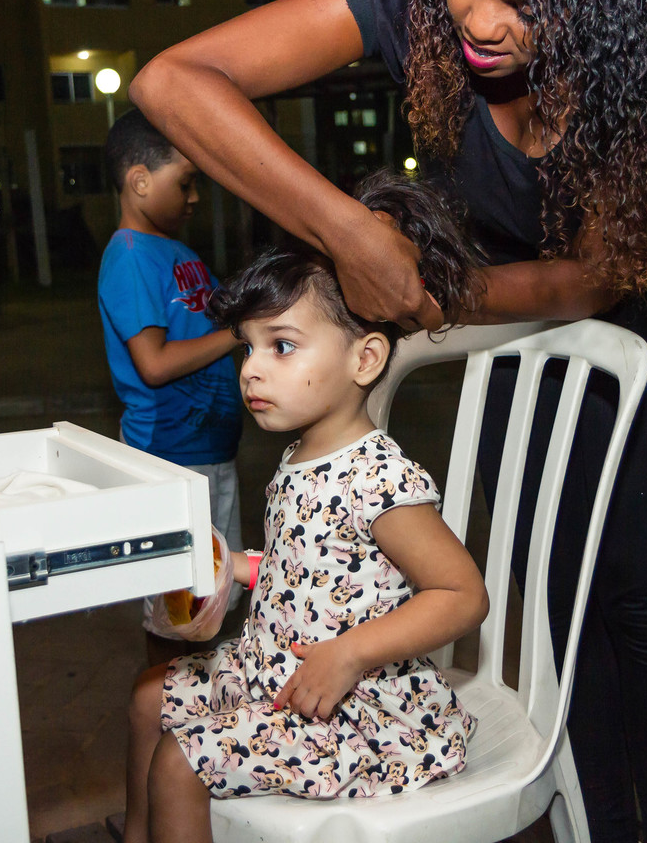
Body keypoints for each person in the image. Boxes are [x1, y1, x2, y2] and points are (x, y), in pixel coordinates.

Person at [129, 0, 647, 840]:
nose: (479, 23)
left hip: (646, 277)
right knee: (557, 580)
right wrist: (345, 231)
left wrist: (421, 293)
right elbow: (169, 83)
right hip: (479, 275)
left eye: (525, 5)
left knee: (641, 594)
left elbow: (597, 277)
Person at [123, 170, 489, 843]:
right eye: (249, 347)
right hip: (277, 666)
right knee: (151, 696)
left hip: (358, 708)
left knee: (181, 761)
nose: (252, 370)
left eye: (282, 346)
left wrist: (350, 654)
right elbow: (324, 573)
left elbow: (462, 595)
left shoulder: (378, 478)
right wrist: (237, 567)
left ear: (365, 358)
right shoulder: (296, 458)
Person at [98, 107, 245, 665]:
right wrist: (234, 333)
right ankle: (160, 726)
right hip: (172, 457)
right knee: (177, 616)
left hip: (208, 454)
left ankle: (202, 727)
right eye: (184, 182)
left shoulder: (176, 252)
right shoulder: (131, 257)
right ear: (139, 180)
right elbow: (154, 364)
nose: (194, 197)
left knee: (213, 604)